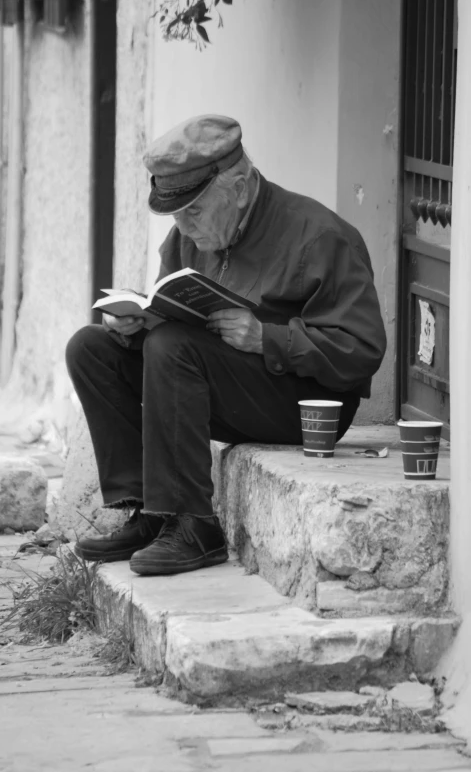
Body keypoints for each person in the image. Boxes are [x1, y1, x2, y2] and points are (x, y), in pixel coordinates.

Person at [66, 114, 386, 576]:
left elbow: (362, 352)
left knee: (174, 345)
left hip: (305, 403)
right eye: (176, 214)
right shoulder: (189, 236)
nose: (184, 225)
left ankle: (196, 526)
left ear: (238, 189)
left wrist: (267, 337)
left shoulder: (321, 236)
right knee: (91, 347)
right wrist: (137, 323)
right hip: (218, 383)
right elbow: (167, 316)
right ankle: (152, 515)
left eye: (193, 211)